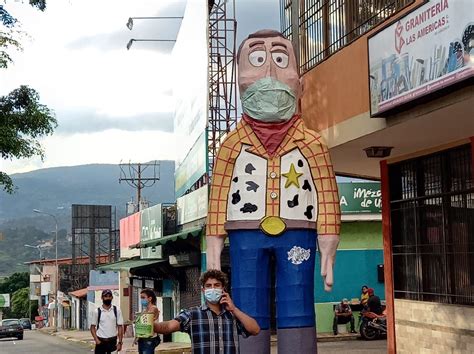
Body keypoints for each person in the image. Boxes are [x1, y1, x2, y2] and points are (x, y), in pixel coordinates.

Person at [205, 29, 341, 354]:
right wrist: (213, 255)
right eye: (257, 61)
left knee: (298, 303)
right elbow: (218, 199)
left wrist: (329, 239)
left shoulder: (313, 144)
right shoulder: (230, 146)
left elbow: (326, 192)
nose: (269, 73)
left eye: (280, 60)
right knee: (248, 303)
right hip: (245, 235)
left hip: (298, 233)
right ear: (239, 81)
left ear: (300, 83)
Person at [153, 270, 260, 354]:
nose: (212, 289)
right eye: (208, 286)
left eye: (217, 285)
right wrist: (150, 325)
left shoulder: (232, 315)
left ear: (223, 289)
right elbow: (168, 327)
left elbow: (255, 330)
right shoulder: (192, 314)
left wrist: (234, 309)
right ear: (203, 290)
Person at [90, 289, 124, 354]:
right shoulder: (97, 311)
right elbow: (92, 327)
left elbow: (120, 327)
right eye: (105, 296)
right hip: (100, 341)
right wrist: (96, 340)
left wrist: (120, 342)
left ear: (112, 297)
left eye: (109, 296)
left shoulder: (117, 310)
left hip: (112, 342)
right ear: (102, 298)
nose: (107, 298)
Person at [135, 288, 161, 354]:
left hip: (149, 339)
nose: (141, 300)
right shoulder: (145, 309)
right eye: (141, 298)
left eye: (143, 297)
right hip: (143, 338)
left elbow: (145, 322)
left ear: (150, 298)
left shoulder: (153, 308)